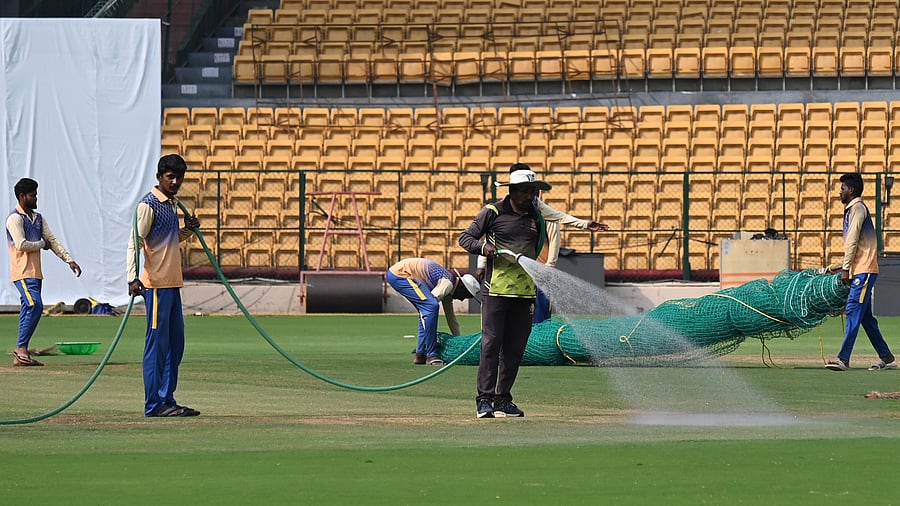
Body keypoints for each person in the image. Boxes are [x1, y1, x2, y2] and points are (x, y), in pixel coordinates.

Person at [459, 167, 550, 419]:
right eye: (526, 191)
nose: (531, 195)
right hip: (496, 291)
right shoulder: (493, 212)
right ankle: (484, 399)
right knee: (491, 344)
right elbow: (465, 239)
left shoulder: (536, 217)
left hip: (525, 293)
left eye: (533, 191)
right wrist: (483, 248)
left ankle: (503, 398)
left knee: (515, 348)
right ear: (512, 191)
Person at [476, 163, 609, 324]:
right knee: (504, 322)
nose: (529, 194)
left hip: (537, 271)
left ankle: (536, 346)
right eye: (523, 188)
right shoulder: (498, 211)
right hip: (508, 275)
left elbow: (557, 227)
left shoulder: (539, 209)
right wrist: (482, 264)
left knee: (538, 317)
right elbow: (487, 238)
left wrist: (549, 266)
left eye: (531, 189)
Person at [127, 154, 201, 417]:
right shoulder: (148, 206)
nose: (175, 182)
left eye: (179, 177)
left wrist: (188, 230)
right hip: (155, 286)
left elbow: (168, 240)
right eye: (170, 177)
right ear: (159, 177)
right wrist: (132, 277)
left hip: (172, 284)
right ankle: (154, 403)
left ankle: (167, 399)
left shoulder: (172, 204)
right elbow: (135, 242)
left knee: (175, 344)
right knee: (157, 345)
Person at [6, 178, 82, 366]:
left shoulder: (38, 218)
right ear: (22, 197)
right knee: (35, 306)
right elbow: (21, 244)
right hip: (22, 272)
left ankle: (21, 355)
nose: (36, 198)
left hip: (35, 273)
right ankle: (21, 349)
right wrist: (42, 244)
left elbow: (52, 240)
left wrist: (69, 260)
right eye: (33, 195)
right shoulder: (15, 218)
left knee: (28, 309)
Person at [824, 173, 895, 372]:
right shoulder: (853, 210)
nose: (840, 192)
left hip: (863, 271)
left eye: (842, 188)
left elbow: (853, 240)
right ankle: (886, 356)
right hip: (860, 269)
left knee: (853, 310)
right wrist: (841, 265)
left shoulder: (857, 208)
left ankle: (843, 359)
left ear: (851, 190)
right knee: (865, 318)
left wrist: (846, 268)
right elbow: (856, 245)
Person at [386, 258, 482, 366]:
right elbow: (430, 307)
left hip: (398, 275)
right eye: (465, 295)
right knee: (431, 307)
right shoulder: (448, 283)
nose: (461, 299)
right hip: (401, 275)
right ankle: (432, 355)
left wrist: (459, 343)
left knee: (427, 309)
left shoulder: (449, 289)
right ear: (461, 286)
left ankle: (420, 354)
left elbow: (451, 319)